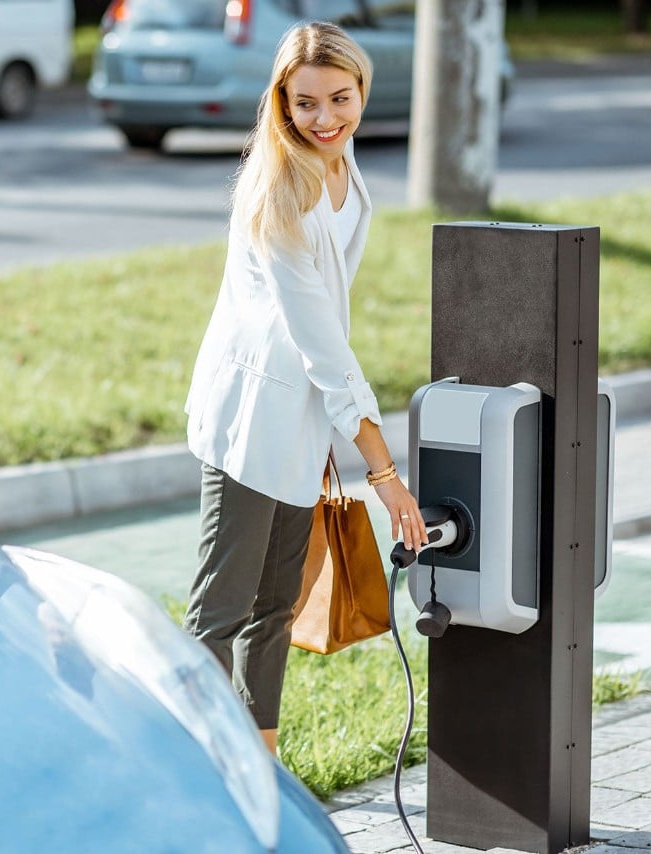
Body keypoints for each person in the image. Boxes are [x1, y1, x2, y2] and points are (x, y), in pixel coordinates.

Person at [181, 21, 429, 756]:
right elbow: (322, 344)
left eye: (340, 99)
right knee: (219, 611)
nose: (324, 120)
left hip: (303, 416)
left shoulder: (344, 169)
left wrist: (339, 436)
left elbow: (329, 336)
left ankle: (261, 759)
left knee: (275, 606)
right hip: (254, 415)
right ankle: (197, 764)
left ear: (362, 91)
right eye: (304, 104)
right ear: (280, 102)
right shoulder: (278, 193)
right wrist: (385, 475)